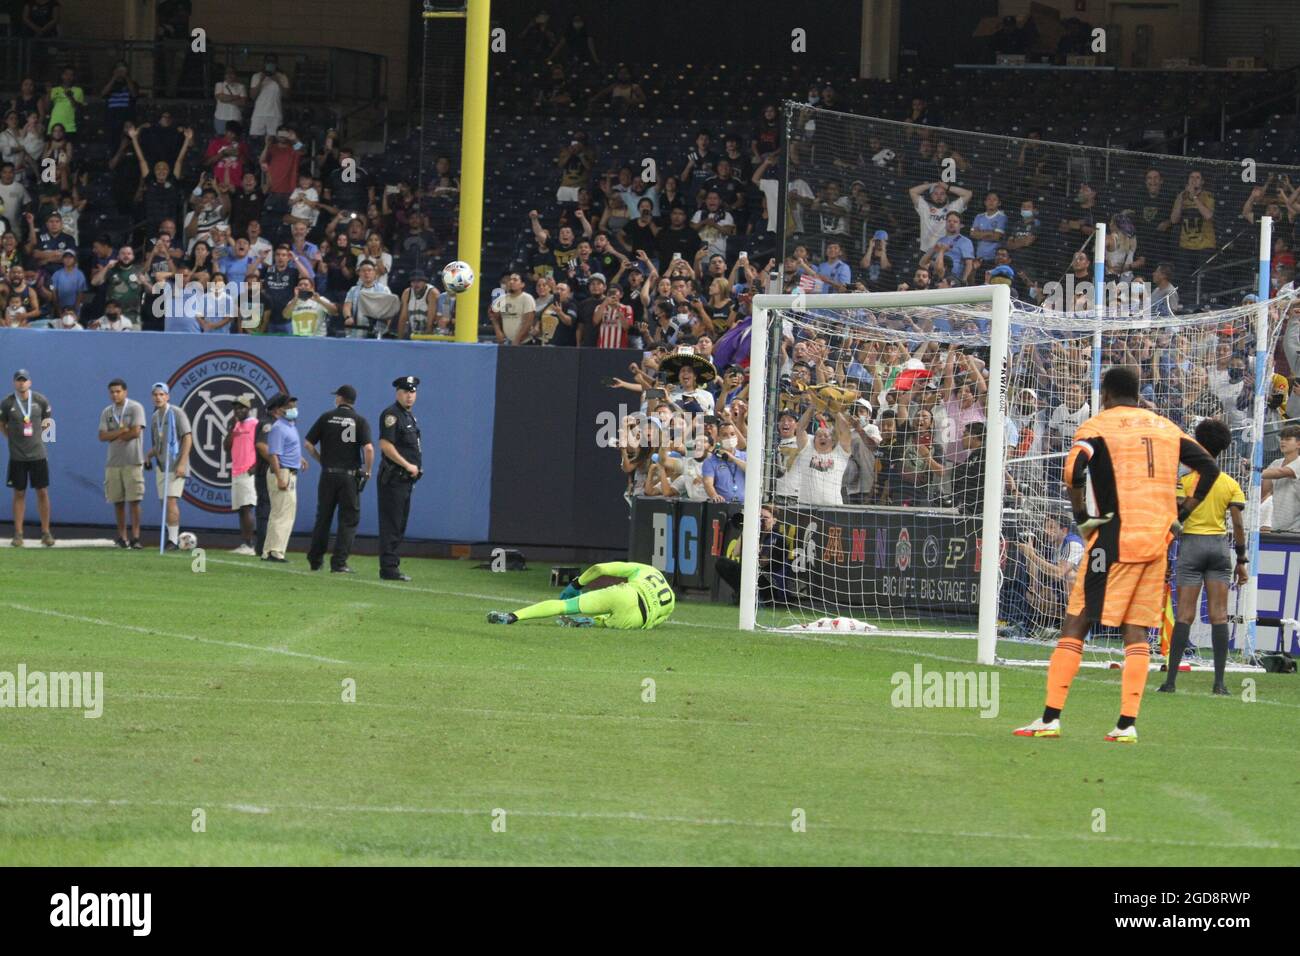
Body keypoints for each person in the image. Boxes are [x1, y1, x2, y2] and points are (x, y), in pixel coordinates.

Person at [1013, 366, 1220, 744]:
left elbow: (1073, 468)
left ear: (1105, 394)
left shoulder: (1098, 425)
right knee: (1136, 630)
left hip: (1112, 538)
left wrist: (1080, 515)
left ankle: (1050, 718)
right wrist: (1182, 513)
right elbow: (1209, 466)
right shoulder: (1165, 427)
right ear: (1137, 392)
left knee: (1076, 620)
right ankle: (1126, 724)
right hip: (1156, 542)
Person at [1158, 419, 1246, 696]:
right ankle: (1219, 683)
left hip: (1192, 545)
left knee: (1184, 613)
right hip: (1219, 547)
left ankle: (1170, 681)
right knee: (1219, 615)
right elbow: (1238, 525)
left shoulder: (1185, 481)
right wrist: (1241, 560)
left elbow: (1173, 518)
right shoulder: (1230, 484)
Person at [304, 385, 374, 574]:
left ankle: (315, 560)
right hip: (349, 477)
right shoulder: (360, 421)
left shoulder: (326, 417)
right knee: (348, 520)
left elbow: (308, 444)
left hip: (328, 474)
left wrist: (322, 461)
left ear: (340, 399)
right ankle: (339, 563)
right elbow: (368, 449)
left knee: (323, 517)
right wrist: (367, 470)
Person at [488, 561, 675, 630]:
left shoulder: (646, 569)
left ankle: (512, 616)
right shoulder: (672, 601)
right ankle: (592, 622)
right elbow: (655, 622)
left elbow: (600, 569)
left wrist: (576, 584)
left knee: (564, 606)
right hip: (638, 619)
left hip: (628, 594)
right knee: (608, 622)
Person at [1, 368, 55, 546]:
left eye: (24, 380)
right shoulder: (7, 403)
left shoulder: (40, 400)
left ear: (30, 382)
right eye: (18, 380)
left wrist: (38, 436)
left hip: (38, 455)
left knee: (42, 492)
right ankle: (18, 534)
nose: (21, 383)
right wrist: (12, 438)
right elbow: (2, 424)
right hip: (17, 457)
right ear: (14, 383)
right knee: (19, 493)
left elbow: (48, 421)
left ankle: (46, 533)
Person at [377, 376, 422, 581]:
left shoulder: (409, 417)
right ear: (397, 393)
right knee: (392, 524)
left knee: (400, 524)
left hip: (405, 480)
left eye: (412, 392)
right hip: (394, 478)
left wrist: (415, 468)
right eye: (405, 392)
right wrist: (407, 465)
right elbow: (386, 445)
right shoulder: (392, 415)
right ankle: (388, 568)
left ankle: (392, 565)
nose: (409, 396)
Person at [98, 378, 146, 549]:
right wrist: (120, 432)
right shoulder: (107, 412)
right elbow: (102, 436)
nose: (115, 395)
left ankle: (136, 537)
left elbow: (135, 432)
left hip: (133, 460)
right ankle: (122, 537)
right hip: (113, 463)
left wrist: (116, 435)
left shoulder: (135, 407)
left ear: (125, 392)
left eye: (118, 391)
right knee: (117, 501)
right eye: (112, 392)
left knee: (134, 500)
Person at [144, 382, 192, 551]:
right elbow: (158, 445)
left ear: (167, 396)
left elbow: (187, 438)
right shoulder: (154, 417)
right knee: (164, 503)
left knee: (171, 501)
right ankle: (172, 537)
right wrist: (147, 456)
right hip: (161, 466)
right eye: (155, 395)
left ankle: (172, 541)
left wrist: (182, 463)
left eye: (161, 394)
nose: (158, 397)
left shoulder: (177, 413)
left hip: (176, 465)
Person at [262, 393, 305, 563]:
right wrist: (280, 476)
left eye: (294, 406)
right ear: (279, 410)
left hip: (288, 470)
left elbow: (286, 449)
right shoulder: (279, 427)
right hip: (283, 472)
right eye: (289, 407)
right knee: (283, 514)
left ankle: (269, 550)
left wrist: (299, 459)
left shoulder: (290, 425)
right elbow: (273, 454)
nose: (293, 409)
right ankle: (275, 551)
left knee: (279, 513)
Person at [222, 394, 258, 555]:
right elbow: (226, 447)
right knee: (241, 509)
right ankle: (245, 543)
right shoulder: (235, 426)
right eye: (235, 408)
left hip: (248, 471)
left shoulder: (255, 424)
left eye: (241, 408)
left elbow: (264, 446)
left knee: (247, 507)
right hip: (236, 470)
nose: (237, 411)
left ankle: (250, 545)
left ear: (248, 408)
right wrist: (231, 429)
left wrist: (255, 467)